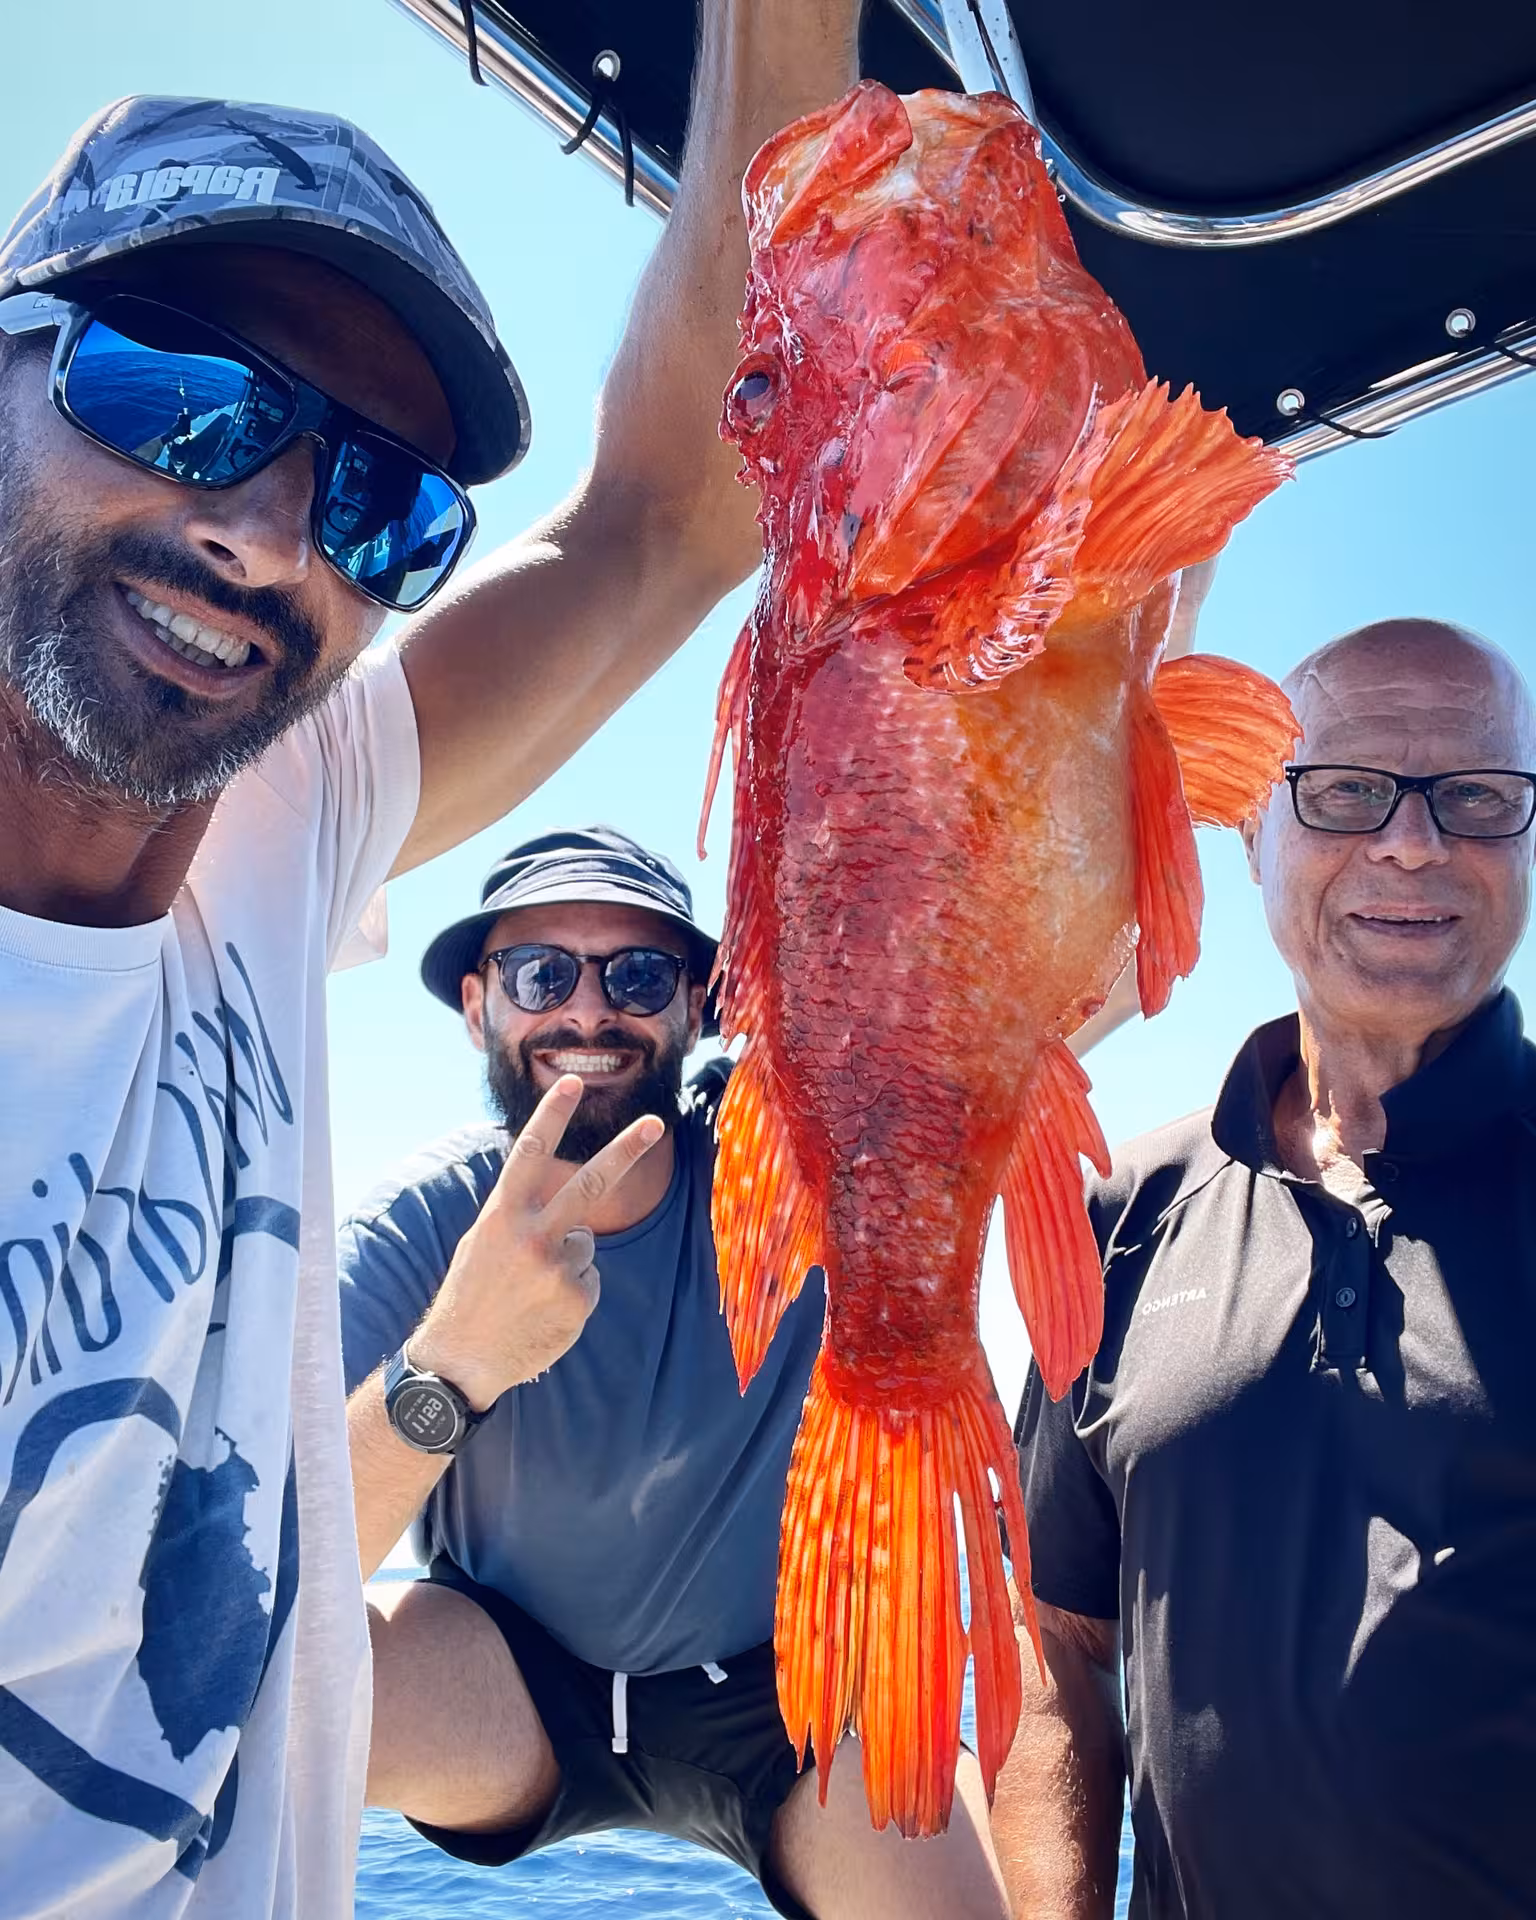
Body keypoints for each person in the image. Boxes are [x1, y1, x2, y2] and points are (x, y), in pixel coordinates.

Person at [0, 7, 860, 1912]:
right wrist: (459, 1365)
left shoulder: (271, 816)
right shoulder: (410, 1188)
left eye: (379, 497)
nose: (260, 530)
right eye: (172, 391)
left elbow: (671, 513)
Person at [338, 825, 1021, 1920]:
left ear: (702, 1006)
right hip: (515, 1673)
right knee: (241, 1702)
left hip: (790, 1692)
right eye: (540, 973)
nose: (589, 1011)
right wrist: (455, 1359)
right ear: (478, 1005)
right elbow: (264, 1576)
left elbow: (1045, 986)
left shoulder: (808, 1164)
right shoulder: (418, 1227)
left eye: (641, 974)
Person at [989, 618, 1536, 1919]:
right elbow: (1057, 1634)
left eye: (1478, 796)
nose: (1413, 842)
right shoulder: (1125, 1212)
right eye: (1344, 792)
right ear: (1249, 831)